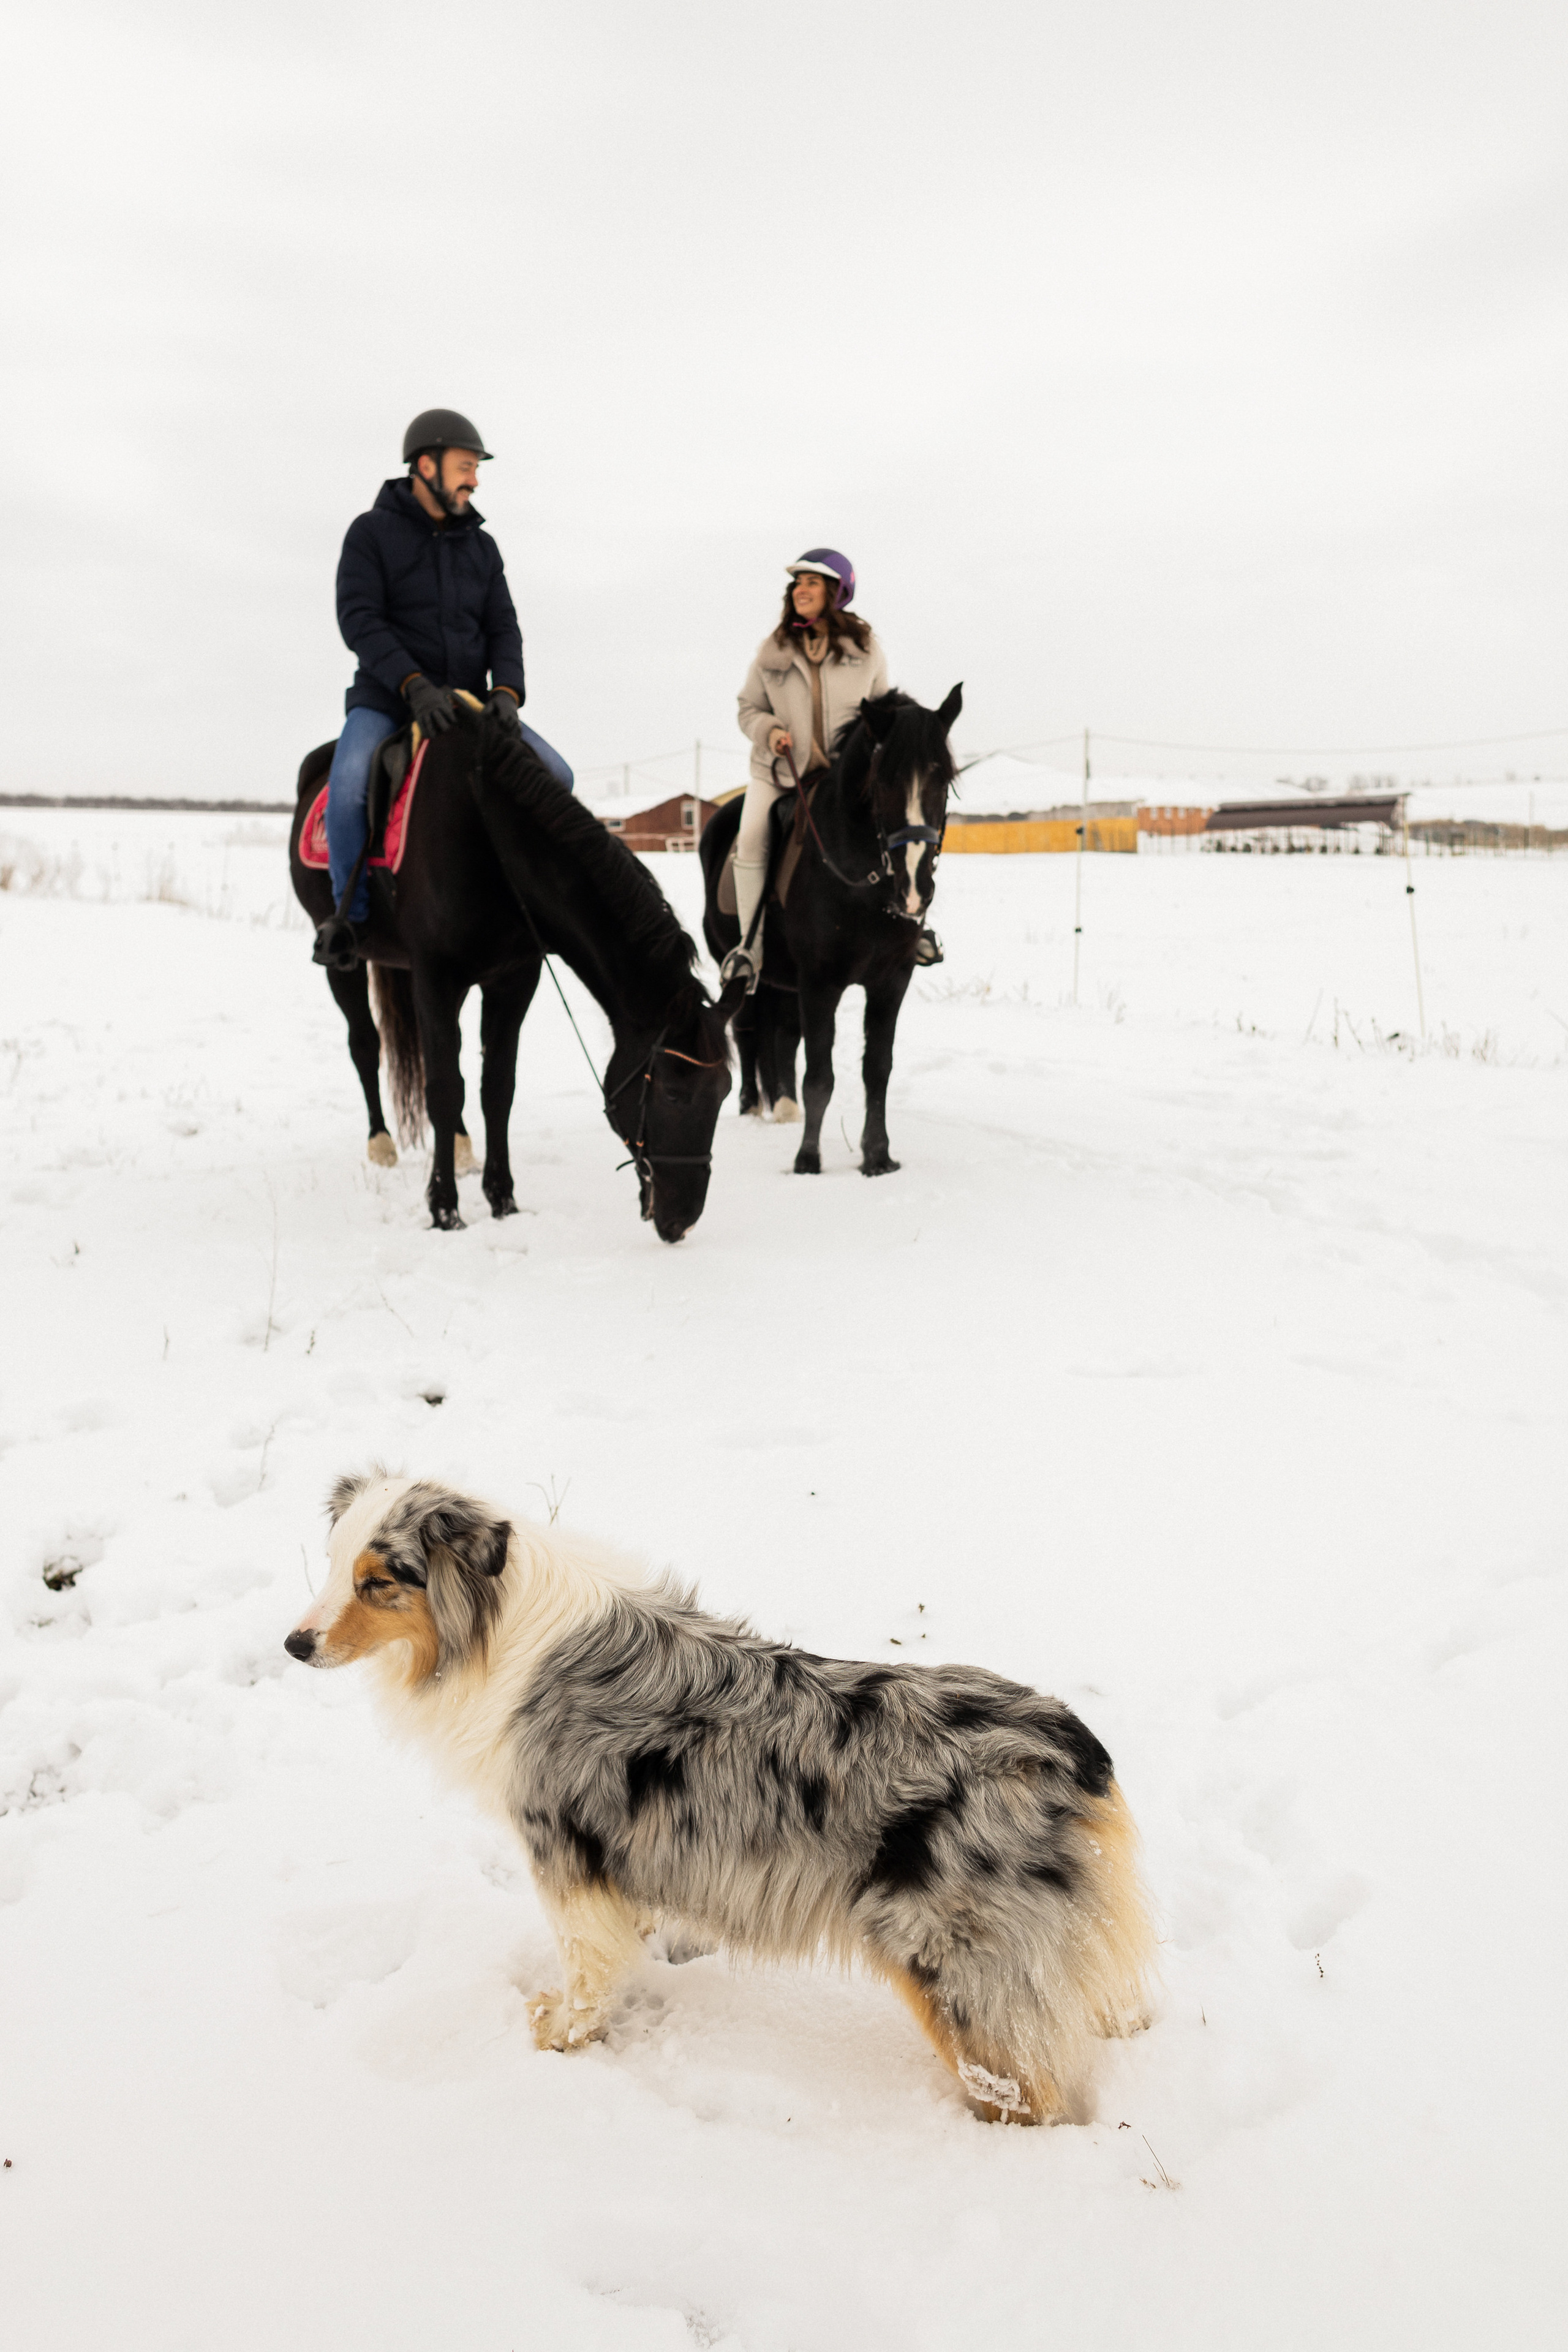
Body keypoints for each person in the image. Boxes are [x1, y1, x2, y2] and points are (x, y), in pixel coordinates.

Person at [314, 408, 575, 970]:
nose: (474, 480)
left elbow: (504, 626)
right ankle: (349, 920)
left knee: (558, 775)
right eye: (465, 467)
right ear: (425, 465)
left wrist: (506, 692)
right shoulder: (370, 534)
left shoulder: (482, 548)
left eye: (476, 469)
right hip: (387, 699)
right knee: (351, 784)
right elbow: (359, 619)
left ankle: (534, 905)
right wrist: (412, 685)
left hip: (470, 703)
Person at [725, 549, 889, 992]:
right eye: (797, 583)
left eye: (812, 582)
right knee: (752, 838)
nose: (801, 589)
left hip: (846, 778)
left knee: (899, 829)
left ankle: (910, 930)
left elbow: (883, 711)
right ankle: (748, 951)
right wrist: (770, 730)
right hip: (779, 773)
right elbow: (748, 709)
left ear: (837, 592)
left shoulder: (868, 650)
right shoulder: (772, 650)